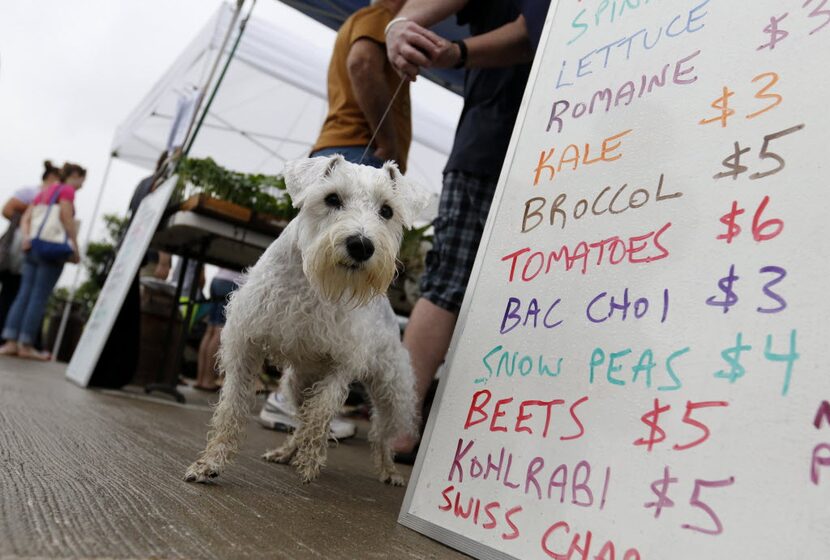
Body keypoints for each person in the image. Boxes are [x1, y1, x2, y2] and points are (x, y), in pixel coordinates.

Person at [384, 0, 551, 459]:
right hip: (495, 146)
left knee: (489, 293)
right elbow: (527, 33)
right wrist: (403, 25)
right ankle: (400, 427)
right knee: (450, 285)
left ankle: (412, 425)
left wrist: (412, 29)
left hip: (550, 149)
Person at [309, 0, 412, 170]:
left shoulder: (366, 19)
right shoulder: (383, 17)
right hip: (360, 150)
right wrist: (388, 145)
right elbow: (362, 64)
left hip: (346, 150)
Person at [0, 162, 85, 360]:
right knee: (39, 296)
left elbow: (26, 217)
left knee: (24, 294)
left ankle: (11, 340)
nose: (82, 184)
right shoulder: (67, 192)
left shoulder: (44, 191)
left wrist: (27, 238)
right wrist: (74, 245)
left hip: (33, 248)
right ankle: (27, 344)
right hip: (52, 250)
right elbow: (65, 216)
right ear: (74, 176)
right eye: (82, 179)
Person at [0, 161, 62, 331]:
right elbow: (6, 209)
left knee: (25, 293)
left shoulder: (54, 197)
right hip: (19, 248)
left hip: (36, 249)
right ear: (51, 177)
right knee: (12, 291)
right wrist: (32, 218)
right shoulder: (30, 193)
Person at [194, 268, 244, 391]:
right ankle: (208, 380)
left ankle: (200, 379)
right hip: (233, 281)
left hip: (217, 280)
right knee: (219, 331)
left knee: (209, 330)